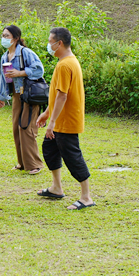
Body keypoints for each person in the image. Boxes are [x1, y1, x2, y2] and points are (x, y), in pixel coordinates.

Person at [36, 27, 95, 211]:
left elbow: (62, 96)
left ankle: (86, 197)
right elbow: (56, 95)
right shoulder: (68, 61)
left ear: (59, 43)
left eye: (50, 41)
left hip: (66, 121)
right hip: (58, 119)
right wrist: (47, 113)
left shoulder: (65, 65)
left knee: (72, 156)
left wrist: (51, 123)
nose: (48, 45)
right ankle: (56, 188)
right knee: (49, 149)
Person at [0, 25, 45, 175]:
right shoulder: (5, 57)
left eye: (7, 36)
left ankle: (35, 164)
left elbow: (39, 69)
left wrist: (20, 73)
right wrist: (2, 98)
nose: (4, 38)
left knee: (26, 128)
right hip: (17, 95)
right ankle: (22, 163)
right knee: (16, 128)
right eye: (3, 35)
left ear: (16, 38)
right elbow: (3, 79)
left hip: (29, 95)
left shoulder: (25, 53)